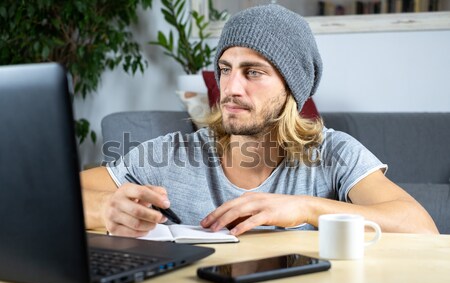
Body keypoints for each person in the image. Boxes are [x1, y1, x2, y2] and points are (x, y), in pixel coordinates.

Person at [81, 4, 438, 237]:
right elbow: (59, 196)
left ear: (291, 88)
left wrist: (304, 208)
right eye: (225, 69)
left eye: (253, 72)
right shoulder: (173, 153)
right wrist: (105, 208)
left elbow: (421, 227)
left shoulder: (333, 152)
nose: (231, 88)